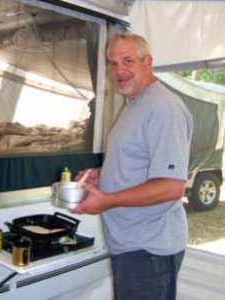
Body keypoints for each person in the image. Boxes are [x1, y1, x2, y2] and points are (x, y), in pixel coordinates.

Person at [72, 32, 193, 300]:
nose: (119, 71)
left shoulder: (164, 108)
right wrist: (101, 175)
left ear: (147, 62)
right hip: (131, 245)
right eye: (113, 63)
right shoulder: (134, 105)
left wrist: (108, 200)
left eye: (127, 61)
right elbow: (142, 163)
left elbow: (171, 187)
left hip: (149, 250)